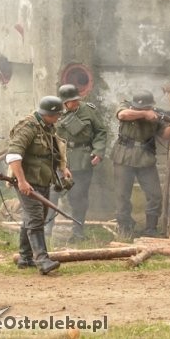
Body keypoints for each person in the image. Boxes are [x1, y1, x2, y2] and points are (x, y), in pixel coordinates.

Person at [6, 95, 72, 275]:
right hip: (27, 180)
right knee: (35, 217)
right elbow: (13, 155)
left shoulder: (48, 127)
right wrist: (21, 181)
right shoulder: (27, 127)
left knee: (36, 217)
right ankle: (42, 260)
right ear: (48, 113)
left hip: (43, 179)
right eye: (57, 114)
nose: (59, 117)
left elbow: (53, 150)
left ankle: (25, 257)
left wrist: (63, 168)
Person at [110, 90, 170, 238]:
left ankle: (150, 229)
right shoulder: (125, 106)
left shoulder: (156, 114)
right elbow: (122, 115)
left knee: (155, 194)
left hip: (145, 157)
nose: (143, 110)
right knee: (122, 195)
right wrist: (144, 114)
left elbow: (164, 135)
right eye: (140, 108)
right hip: (124, 156)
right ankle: (125, 227)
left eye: (146, 109)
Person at [47, 84, 107, 241]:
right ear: (64, 102)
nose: (75, 103)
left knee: (78, 197)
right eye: (71, 101)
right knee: (52, 194)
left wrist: (99, 151)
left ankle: (78, 232)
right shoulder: (53, 112)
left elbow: (101, 131)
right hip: (60, 159)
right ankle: (46, 229)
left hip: (82, 160)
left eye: (76, 100)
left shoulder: (88, 110)